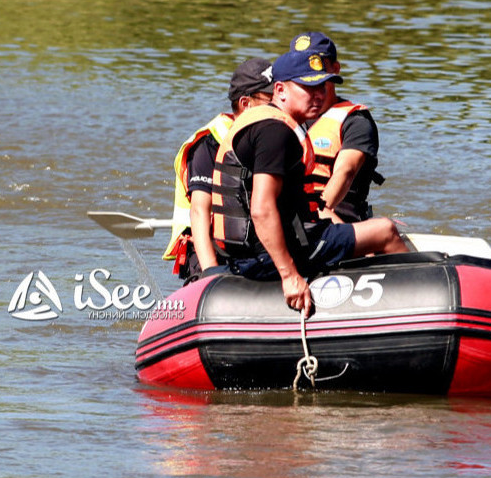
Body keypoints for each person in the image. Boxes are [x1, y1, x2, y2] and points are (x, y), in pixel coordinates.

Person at [206, 47, 406, 314]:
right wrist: (289, 276)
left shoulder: (258, 122)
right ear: (280, 90)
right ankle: (413, 305)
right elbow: (261, 209)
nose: (319, 95)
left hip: (244, 254)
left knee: (345, 232)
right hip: (266, 256)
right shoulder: (276, 132)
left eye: (322, 87)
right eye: (308, 88)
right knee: (384, 230)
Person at [164, 56, 274, 282]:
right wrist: (211, 273)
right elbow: (199, 211)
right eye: (271, 99)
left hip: (252, 247)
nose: (279, 106)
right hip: (210, 250)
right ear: (246, 103)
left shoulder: (271, 140)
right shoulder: (209, 144)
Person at [288, 30, 390, 225]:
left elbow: (346, 172)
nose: (308, 72)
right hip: (294, 216)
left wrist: (316, 214)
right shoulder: (285, 117)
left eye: (316, 64)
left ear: (335, 68)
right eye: (300, 65)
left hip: (338, 219)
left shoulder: (356, 122)